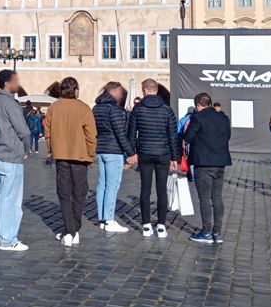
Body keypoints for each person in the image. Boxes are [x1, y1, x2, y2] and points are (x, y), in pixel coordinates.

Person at [44, 77, 96, 247]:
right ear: (75, 90)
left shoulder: (54, 107)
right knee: (79, 192)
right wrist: (90, 153)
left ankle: (69, 230)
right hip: (80, 156)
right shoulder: (84, 108)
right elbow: (91, 135)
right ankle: (74, 229)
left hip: (61, 156)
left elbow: (47, 132)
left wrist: (51, 150)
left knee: (64, 193)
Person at [0, 69, 32, 253]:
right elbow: (24, 131)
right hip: (11, 154)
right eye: (15, 80)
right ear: (6, 83)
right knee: (10, 199)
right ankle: (8, 239)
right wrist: (27, 149)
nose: (18, 83)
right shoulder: (10, 103)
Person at [131, 78, 179, 238]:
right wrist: (174, 158)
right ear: (156, 90)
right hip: (163, 154)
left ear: (144, 91)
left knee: (145, 189)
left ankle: (146, 225)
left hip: (144, 153)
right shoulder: (167, 110)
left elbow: (131, 133)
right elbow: (173, 136)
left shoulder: (138, 109)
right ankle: (161, 226)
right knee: (161, 191)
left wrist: (132, 152)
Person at [186, 93, 232, 244]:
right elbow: (228, 136)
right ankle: (217, 233)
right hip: (220, 162)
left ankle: (206, 232)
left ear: (198, 104)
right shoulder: (223, 118)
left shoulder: (197, 118)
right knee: (217, 197)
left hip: (203, 163)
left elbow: (188, 137)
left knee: (204, 198)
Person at [91, 81, 136, 234]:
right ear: (114, 91)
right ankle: (109, 219)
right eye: (121, 93)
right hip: (113, 151)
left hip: (101, 150)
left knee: (102, 185)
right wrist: (131, 152)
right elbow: (120, 133)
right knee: (112, 186)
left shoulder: (96, 108)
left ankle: (102, 219)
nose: (122, 96)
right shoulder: (114, 109)